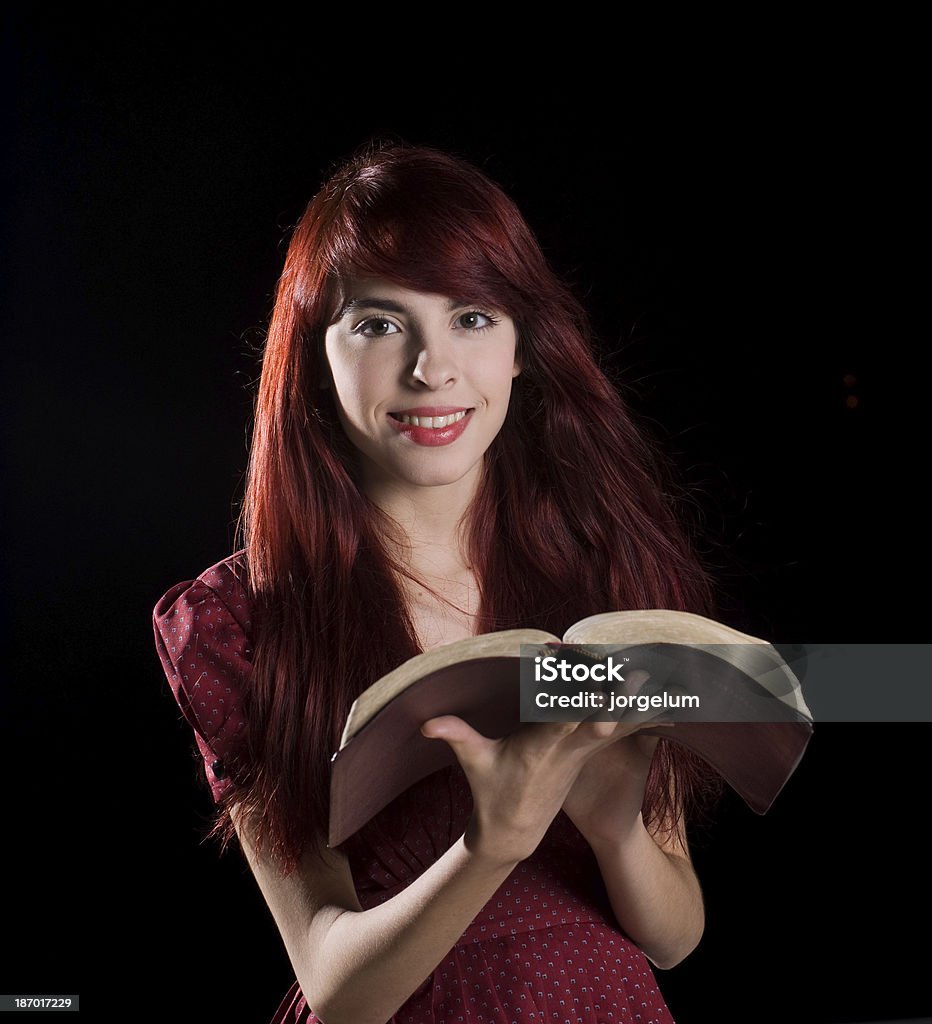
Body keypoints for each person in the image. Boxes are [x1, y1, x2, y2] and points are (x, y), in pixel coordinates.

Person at [152, 142, 725, 1024]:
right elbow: (337, 985)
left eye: (472, 317)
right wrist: (490, 844)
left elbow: (674, 937)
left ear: (524, 346)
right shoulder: (239, 624)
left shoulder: (605, 578)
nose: (432, 368)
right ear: (314, 360)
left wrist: (616, 831)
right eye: (380, 324)